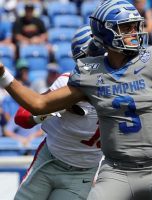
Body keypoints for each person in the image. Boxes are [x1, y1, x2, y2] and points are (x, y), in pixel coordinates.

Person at [0, 1, 152, 199]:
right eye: (126, 28)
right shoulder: (87, 77)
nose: (135, 33)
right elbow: (35, 107)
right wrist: (5, 77)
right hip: (109, 169)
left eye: (135, 26)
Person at [13, 25, 104, 200]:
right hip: (50, 159)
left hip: (82, 172)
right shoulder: (66, 85)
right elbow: (22, 118)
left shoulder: (124, 88)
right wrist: (54, 108)